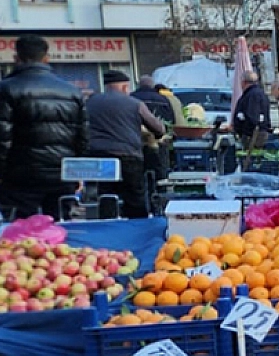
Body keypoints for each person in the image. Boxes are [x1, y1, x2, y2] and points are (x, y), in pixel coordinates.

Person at [0, 35, 88, 219]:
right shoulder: (72, 91)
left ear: (16, 58)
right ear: (47, 58)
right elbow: (82, 137)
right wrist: (78, 172)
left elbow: (3, 138)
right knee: (61, 230)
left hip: (20, 176)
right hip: (62, 173)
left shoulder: (6, 89)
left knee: (19, 236)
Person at [85, 70, 165, 218]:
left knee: (106, 193)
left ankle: (107, 224)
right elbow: (158, 129)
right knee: (134, 195)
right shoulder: (135, 104)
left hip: (99, 156)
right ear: (124, 87)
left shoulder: (91, 102)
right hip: (128, 154)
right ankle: (136, 226)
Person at [232, 71, 271, 155]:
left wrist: (246, 133)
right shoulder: (259, 93)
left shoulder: (252, 95)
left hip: (253, 136)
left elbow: (252, 117)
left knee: (252, 159)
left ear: (243, 82)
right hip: (258, 133)